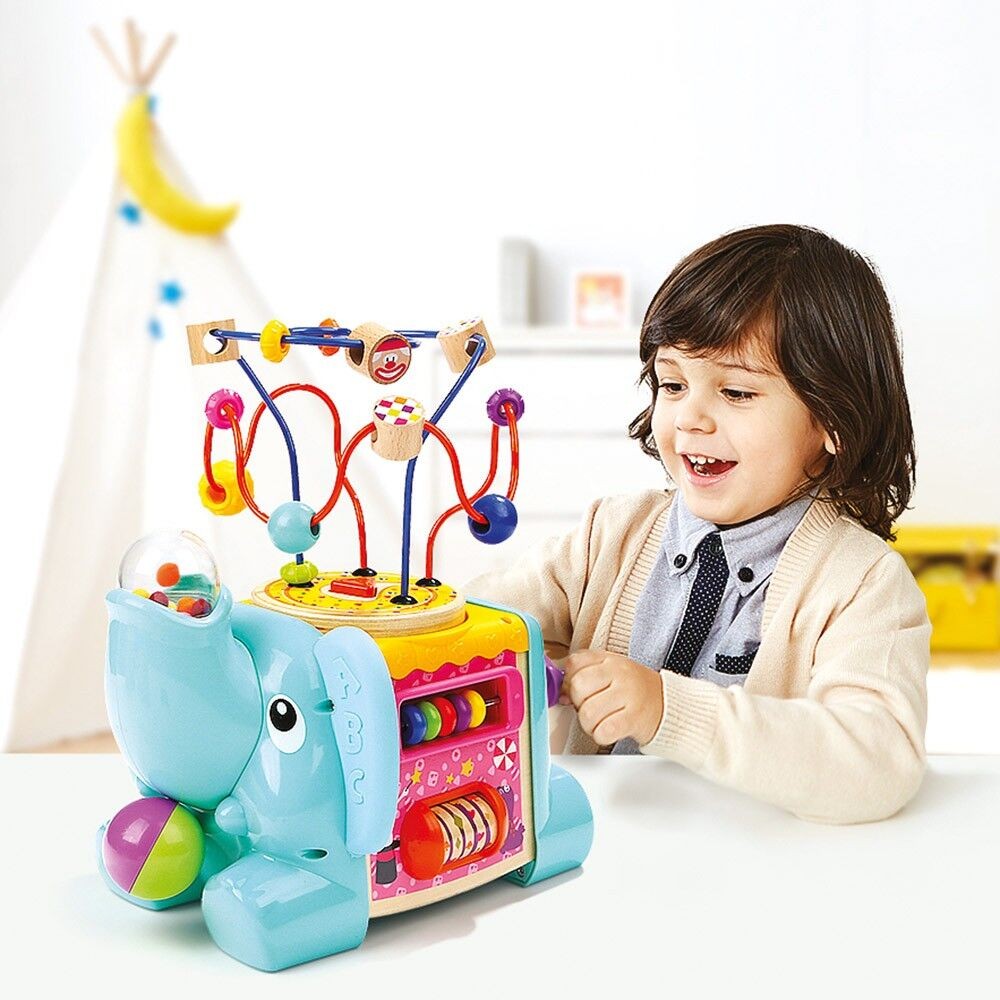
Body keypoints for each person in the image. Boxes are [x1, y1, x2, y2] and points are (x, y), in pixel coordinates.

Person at [463, 224, 930, 824]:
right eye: (673, 383)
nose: (690, 417)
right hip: (602, 849)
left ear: (832, 420)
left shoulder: (861, 582)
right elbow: (476, 624)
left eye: (735, 391)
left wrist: (668, 710)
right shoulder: (609, 534)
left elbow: (876, 762)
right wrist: (536, 659)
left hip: (759, 861)